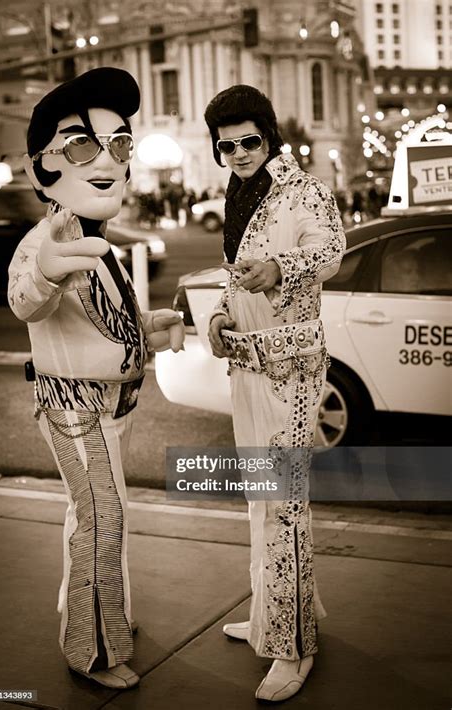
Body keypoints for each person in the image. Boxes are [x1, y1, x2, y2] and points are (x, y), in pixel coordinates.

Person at [8, 67, 184, 690]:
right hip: (75, 407)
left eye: (119, 144)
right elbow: (24, 301)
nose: (107, 159)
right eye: (81, 145)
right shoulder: (45, 241)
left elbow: (112, 320)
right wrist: (46, 273)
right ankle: (93, 649)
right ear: (41, 169)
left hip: (111, 405)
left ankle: (104, 616)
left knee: (99, 517)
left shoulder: (96, 239)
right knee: (100, 519)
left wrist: (152, 327)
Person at [204, 85, 345, 702]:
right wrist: (216, 318)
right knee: (262, 501)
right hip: (248, 367)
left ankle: (293, 648)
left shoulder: (305, 191)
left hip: (291, 372)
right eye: (225, 144)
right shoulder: (237, 195)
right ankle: (271, 616)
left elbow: (332, 251)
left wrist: (283, 268)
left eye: (248, 141)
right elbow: (235, 275)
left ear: (269, 136)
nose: (236, 153)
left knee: (284, 505)